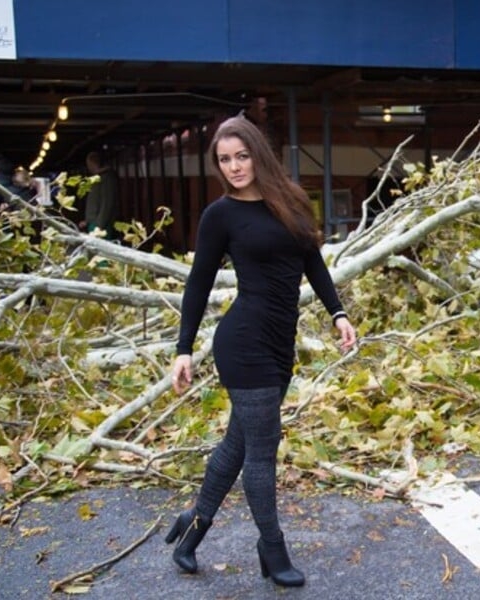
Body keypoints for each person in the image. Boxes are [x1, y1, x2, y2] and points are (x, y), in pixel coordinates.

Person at [167, 115, 356, 588]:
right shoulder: (220, 216)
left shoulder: (290, 201)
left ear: (258, 155)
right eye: (224, 160)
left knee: (238, 445)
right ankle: (272, 549)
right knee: (261, 451)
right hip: (243, 342)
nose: (234, 167)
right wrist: (183, 348)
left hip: (278, 342)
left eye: (242, 156)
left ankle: (192, 528)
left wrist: (338, 313)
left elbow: (312, 261)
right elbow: (198, 283)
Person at [81, 151, 118, 237]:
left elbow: (107, 203)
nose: (88, 167)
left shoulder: (107, 178)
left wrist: (100, 225)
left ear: (93, 164)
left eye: (89, 164)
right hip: (94, 223)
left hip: (100, 225)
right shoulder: (97, 178)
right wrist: (87, 221)